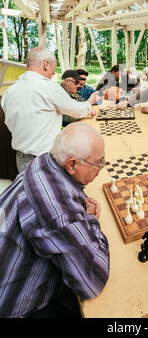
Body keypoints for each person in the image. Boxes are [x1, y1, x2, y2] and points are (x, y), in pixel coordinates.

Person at [0, 122, 110, 318]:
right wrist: (91, 218)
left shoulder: (43, 162)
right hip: (14, 304)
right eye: (98, 163)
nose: (101, 168)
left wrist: (78, 201)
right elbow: (93, 279)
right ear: (72, 165)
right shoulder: (57, 212)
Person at [1, 47, 97, 173]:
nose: (53, 73)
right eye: (53, 67)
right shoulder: (49, 87)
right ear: (46, 64)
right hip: (44, 159)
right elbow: (75, 110)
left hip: (20, 158)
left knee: (28, 191)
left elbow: (10, 123)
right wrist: (91, 101)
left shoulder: (10, 91)